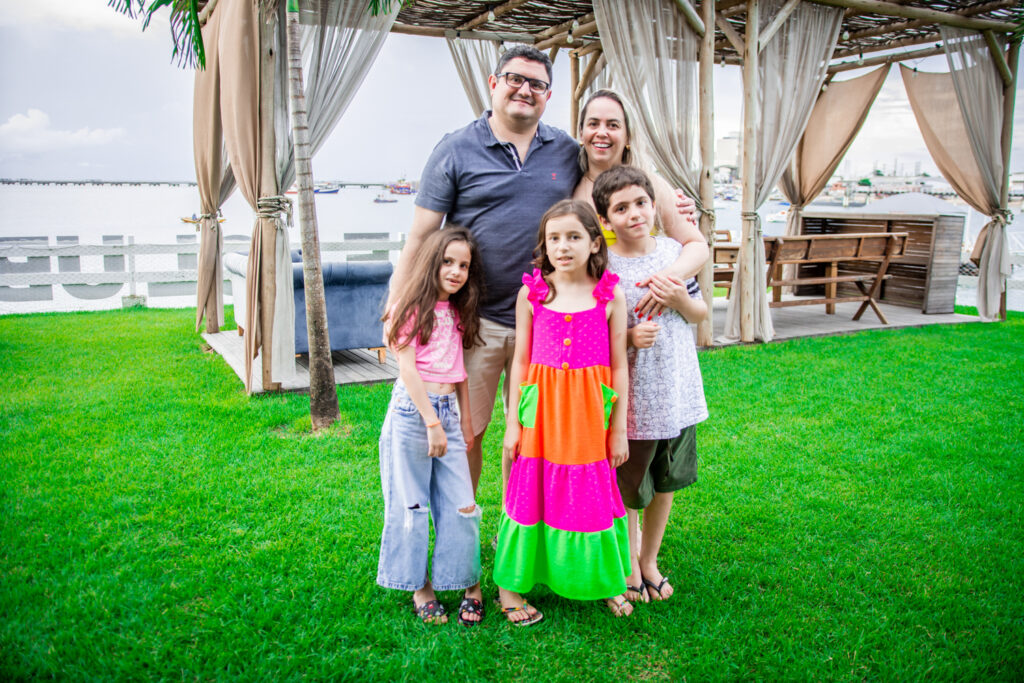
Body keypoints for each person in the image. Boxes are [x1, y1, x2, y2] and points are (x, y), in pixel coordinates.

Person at [390, 44, 581, 495]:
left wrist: (676, 208)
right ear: (493, 83)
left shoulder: (567, 151)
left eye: (537, 84)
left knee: (533, 437)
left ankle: (519, 532)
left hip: (546, 322)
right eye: (515, 78)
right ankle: (464, 528)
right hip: (473, 323)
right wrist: (397, 304)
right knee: (467, 433)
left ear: (548, 96)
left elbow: (613, 180)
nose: (525, 90)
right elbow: (419, 236)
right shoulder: (455, 149)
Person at [495, 199, 633, 623]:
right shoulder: (534, 293)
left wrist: (619, 430)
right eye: (554, 238)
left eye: (574, 237)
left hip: (589, 414)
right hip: (541, 414)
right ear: (544, 245)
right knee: (529, 488)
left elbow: (619, 365)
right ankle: (510, 591)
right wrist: (513, 423)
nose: (563, 246)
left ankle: (604, 581)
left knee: (591, 492)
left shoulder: (610, 294)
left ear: (595, 243)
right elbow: (520, 361)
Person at [592, 166, 708, 605]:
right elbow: (591, 331)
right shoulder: (604, 265)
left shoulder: (675, 252)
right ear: (605, 220)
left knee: (666, 483)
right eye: (620, 208)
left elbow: (700, 314)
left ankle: (649, 560)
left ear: (654, 205)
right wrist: (627, 337)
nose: (634, 213)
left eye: (640, 203)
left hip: (678, 392)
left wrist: (680, 299)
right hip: (634, 399)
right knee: (628, 489)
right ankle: (626, 562)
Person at [376, 227, 488, 626]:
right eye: (448, 262)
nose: (456, 271)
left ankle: (467, 581)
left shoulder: (458, 312)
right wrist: (432, 424)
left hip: (450, 416)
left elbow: (457, 373)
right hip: (414, 414)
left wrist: (466, 423)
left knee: (463, 505)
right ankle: (419, 586)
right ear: (431, 262)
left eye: (464, 265)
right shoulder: (410, 307)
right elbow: (407, 369)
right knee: (412, 503)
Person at [572, 89, 709, 318]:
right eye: (593, 124)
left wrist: (668, 278)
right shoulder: (569, 183)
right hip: (595, 324)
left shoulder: (650, 185)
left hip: (650, 321)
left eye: (613, 125)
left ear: (628, 137)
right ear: (581, 132)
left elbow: (697, 245)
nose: (601, 133)